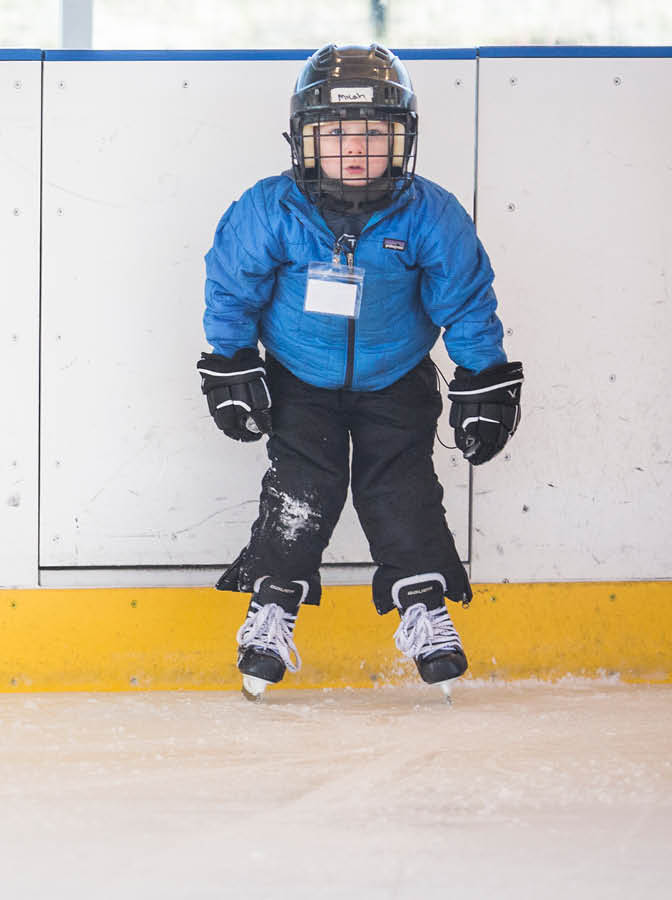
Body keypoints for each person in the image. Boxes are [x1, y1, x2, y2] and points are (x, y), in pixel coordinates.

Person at [196, 43, 525, 701]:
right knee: (302, 487)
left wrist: (482, 378)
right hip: (299, 379)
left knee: (399, 486)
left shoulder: (431, 214)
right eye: (335, 133)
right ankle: (271, 604)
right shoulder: (269, 209)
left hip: (395, 377)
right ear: (302, 141)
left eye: (374, 134)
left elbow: (464, 298)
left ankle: (424, 605)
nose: (354, 150)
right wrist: (231, 364)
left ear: (403, 140)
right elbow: (231, 287)